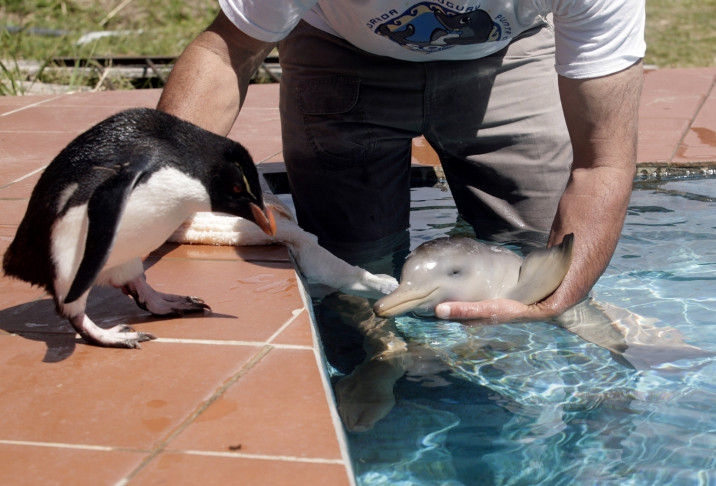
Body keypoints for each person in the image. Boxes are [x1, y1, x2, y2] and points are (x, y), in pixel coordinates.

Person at [157, 1, 646, 324]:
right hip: (337, 45)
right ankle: (376, 367)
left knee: (540, 261)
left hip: (509, 49)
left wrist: (555, 301)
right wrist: (154, 192)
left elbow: (602, 164)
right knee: (351, 272)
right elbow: (229, 52)